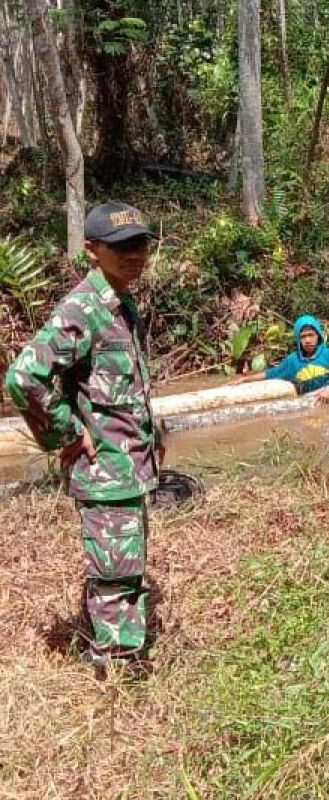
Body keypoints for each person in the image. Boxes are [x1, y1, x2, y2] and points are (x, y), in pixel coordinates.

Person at [5, 202, 163, 672]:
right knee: (114, 576)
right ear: (93, 251)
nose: (135, 255)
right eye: (121, 247)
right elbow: (23, 376)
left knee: (127, 568)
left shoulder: (123, 302)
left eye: (140, 245)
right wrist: (65, 433)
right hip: (105, 470)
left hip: (129, 466)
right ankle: (117, 670)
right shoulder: (83, 308)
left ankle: (124, 654)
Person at [229, 315, 329, 404]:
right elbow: (270, 374)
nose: (307, 340)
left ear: (318, 336)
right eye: (303, 337)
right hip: (307, 404)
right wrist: (245, 379)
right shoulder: (293, 361)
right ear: (298, 339)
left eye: (311, 335)